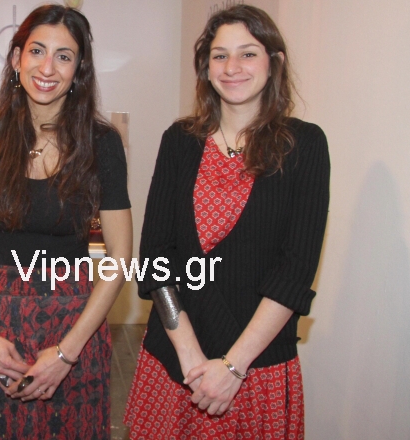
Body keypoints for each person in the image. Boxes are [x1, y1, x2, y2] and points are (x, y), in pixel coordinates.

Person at [124, 5, 329, 438]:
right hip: (176, 362)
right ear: (206, 66)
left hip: (256, 369)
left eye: (248, 53)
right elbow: (156, 259)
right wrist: (190, 356)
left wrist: (233, 367)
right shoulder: (179, 141)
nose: (232, 67)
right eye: (220, 55)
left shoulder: (304, 145)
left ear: (274, 62)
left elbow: (293, 273)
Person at [0, 5, 132, 439]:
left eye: (64, 56)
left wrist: (67, 353)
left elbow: (121, 256)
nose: (47, 68)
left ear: (79, 69)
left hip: (76, 327)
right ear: (17, 58)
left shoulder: (102, 143)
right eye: (37, 51)